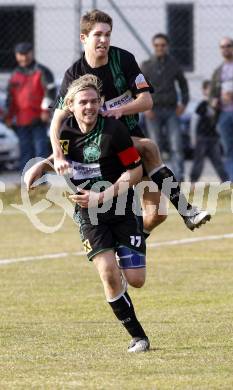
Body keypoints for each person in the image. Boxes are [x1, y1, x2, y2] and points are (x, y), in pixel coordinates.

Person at [26, 10, 211, 233]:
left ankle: (131, 247)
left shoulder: (123, 60)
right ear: (84, 38)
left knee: (157, 214)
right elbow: (57, 117)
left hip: (128, 134)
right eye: (97, 35)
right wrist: (56, 154)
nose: (104, 40)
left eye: (107, 34)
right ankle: (187, 210)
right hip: (97, 143)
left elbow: (146, 101)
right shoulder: (74, 74)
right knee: (149, 147)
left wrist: (120, 109)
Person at [25, 74, 150, 352]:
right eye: (83, 102)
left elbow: (136, 171)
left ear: (100, 102)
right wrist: (41, 166)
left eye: (94, 101)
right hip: (88, 212)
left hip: (121, 206)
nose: (90, 107)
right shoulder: (66, 132)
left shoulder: (113, 131)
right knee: (108, 273)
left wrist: (102, 195)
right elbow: (60, 157)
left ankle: (125, 262)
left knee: (137, 280)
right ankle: (138, 337)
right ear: (71, 105)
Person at [141, 33, 189, 183]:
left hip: (171, 111)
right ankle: (158, 177)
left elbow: (184, 86)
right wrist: (144, 108)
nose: (160, 48)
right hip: (152, 111)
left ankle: (179, 178)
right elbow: (139, 88)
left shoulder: (175, 65)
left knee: (176, 145)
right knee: (155, 146)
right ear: (153, 46)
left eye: (162, 45)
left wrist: (183, 104)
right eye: (157, 45)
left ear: (167, 46)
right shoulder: (146, 65)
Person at [5, 42, 57, 172]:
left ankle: (41, 181)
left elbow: (50, 91)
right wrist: (9, 116)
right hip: (21, 120)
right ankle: (26, 182)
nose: (23, 58)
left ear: (32, 53)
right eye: (20, 55)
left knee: (40, 151)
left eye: (26, 54)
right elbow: (10, 98)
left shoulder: (42, 71)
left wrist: (46, 111)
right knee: (25, 151)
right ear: (16, 56)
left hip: (39, 119)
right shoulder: (15, 75)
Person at [190, 80, 229, 184]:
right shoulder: (202, 104)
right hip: (201, 137)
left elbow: (219, 119)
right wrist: (193, 138)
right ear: (204, 91)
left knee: (218, 162)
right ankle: (193, 182)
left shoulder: (218, 105)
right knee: (199, 162)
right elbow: (196, 118)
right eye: (209, 89)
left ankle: (226, 181)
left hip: (213, 138)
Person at [210, 37, 233, 182]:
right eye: (222, 46)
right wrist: (214, 100)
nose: (225, 49)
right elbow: (212, 93)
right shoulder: (218, 71)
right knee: (228, 150)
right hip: (224, 114)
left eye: (228, 46)